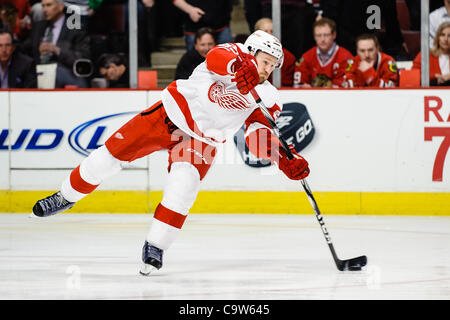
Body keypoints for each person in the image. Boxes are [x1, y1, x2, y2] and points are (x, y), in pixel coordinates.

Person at [31, 30, 310, 275]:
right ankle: (65, 197)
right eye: (264, 62)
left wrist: (282, 159)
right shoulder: (232, 53)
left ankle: (156, 247)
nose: (266, 70)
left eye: (272, 66)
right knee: (105, 159)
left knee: (183, 188)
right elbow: (215, 58)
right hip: (169, 115)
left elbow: (257, 137)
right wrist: (240, 67)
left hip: (202, 141)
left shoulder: (269, 96)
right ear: (250, 51)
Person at [22, 0, 91, 88]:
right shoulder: (38, 27)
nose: (45, 9)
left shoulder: (75, 29)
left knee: (56, 73)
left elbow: (81, 60)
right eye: (43, 6)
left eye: (49, 5)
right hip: (38, 73)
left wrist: (57, 50)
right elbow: (24, 49)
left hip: (64, 73)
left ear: (60, 7)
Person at [293, 18, 352, 88]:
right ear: (314, 37)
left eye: (326, 35)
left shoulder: (346, 57)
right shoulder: (306, 57)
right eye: (318, 35)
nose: (322, 39)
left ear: (334, 35)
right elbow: (297, 86)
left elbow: (346, 87)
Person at [254, 17, 296, 87]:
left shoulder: (288, 57)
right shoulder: (248, 53)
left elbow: (287, 87)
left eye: (272, 31)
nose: (269, 35)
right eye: (265, 31)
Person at [413, 21, 450, 86]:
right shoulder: (425, 55)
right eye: (442, 35)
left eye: (449, 36)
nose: (445, 39)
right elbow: (413, 76)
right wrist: (434, 77)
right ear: (438, 38)